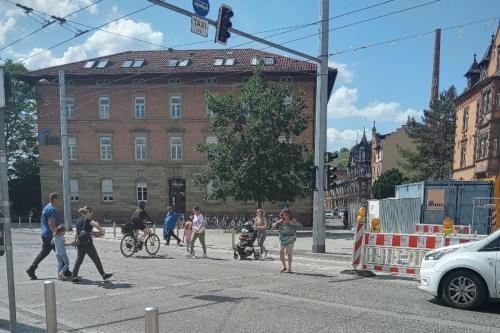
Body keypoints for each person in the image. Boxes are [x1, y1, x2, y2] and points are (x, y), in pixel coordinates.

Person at [26, 192, 71, 280]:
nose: (60, 201)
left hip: (45, 234)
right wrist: (56, 235)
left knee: (46, 252)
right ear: (54, 199)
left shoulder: (46, 207)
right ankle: (65, 271)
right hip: (51, 235)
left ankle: (32, 269)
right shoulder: (51, 209)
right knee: (61, 251)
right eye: (58, 199)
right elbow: (51, 224)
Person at [71, 206, 113, 283]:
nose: (91, 215)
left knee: (79, 260)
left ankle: (74, 276)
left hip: (80, 242)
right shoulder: (87, 220)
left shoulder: (78, 220)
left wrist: (75, 241)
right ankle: (103, 275)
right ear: (88, 212)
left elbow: (77, 232)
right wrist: (101, 230)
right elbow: (96, 225)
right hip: (88, 243)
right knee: (96, 259)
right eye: (91, 213)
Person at [272, 208, 298, 273]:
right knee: (281, 252)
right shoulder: (280, 221)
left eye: (287, 215)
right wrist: (275, 224)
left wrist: (292, 223)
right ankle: (284, 267)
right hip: (282, 239)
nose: (286, 216)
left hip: (290, 239)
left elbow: (299, 226)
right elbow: (273, 226)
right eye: (284, 215)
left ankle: (289, 268)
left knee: (289, 254)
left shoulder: (293, 220)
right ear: (282, 215)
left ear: (289, 215)